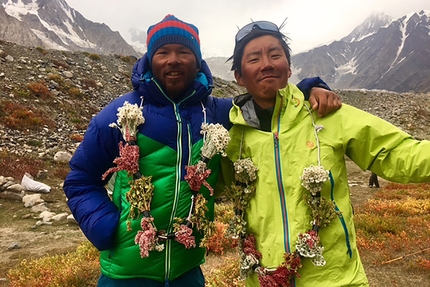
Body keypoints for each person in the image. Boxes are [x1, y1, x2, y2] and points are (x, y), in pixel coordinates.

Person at [63, 15, 341, 287]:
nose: (173, 59)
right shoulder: (119, 115)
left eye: (184, 51)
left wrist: (309, 88)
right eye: (163, 52)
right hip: (125, 274)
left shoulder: (218, 112)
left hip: (188, 271)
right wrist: (104, 227)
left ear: (197, 62)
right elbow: (80, 179)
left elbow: (267, 103)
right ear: (150, 60)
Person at [223, 20, 430, 287]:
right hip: (263, 280)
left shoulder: (327, 115)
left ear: (289, 67)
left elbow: (398, 152)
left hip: (336, 279)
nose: (267, 64)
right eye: (254, 58)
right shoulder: (234, 136)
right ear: (239, 76)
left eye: (275, 55)